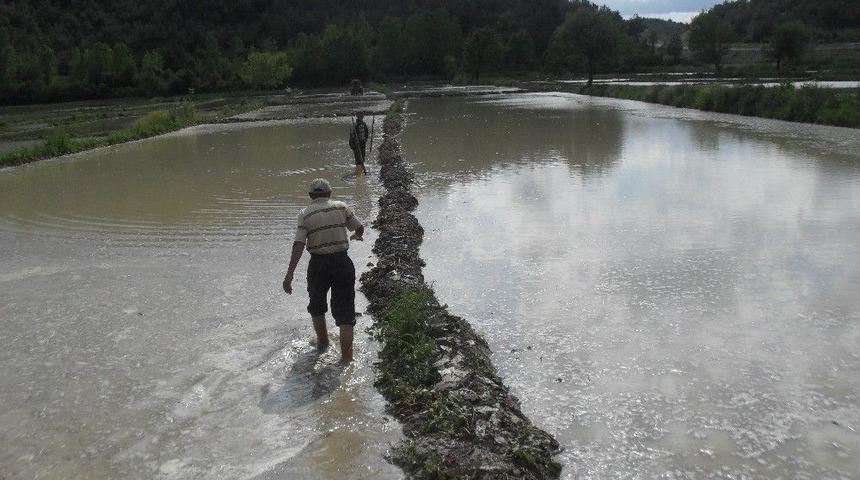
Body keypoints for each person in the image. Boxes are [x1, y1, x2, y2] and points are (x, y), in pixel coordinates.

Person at [283, 178, 364, 363]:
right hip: (342, 263)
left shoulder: (305, 214)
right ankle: (347, 359)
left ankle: (323, 344)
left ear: (311, 195)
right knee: (345, 313)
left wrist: (289, 274)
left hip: (318, 265)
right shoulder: (341, 207)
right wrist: (356, 235)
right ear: (329, 193)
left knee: (317, 306)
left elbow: (299, 244)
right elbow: (359, 227)